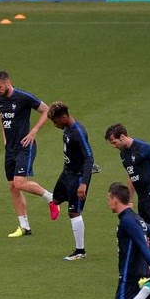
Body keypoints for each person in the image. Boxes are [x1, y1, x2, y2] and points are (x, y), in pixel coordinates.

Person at [0, 70, 57, 238]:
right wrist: (4, 139)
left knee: (19, 183)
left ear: (7, 83)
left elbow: (47, 110)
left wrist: (34, 131)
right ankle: (24, 227)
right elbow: (1, 118)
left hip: (25, 146)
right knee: (13, 187)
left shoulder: (23, 97)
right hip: (10, 149)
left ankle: (51, 198)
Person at [47, 102, 96, 261]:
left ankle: (80, 251)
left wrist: (84, 183)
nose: (55, 125)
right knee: (55, 199)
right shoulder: (67, 128)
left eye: (55, 122)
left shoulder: (79, 133)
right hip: (67, 173)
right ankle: (56, 204)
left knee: (74, 212)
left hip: (78, 177)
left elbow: (89, 158)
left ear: (63, 117)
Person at [104, 124, 150, 225]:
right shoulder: (123, 154)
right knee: (146, 230)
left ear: (122, 137)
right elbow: (131, 176)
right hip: (142, 200)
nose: (114, 146)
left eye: (114, 142)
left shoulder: (145, 148)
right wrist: (129, 201)